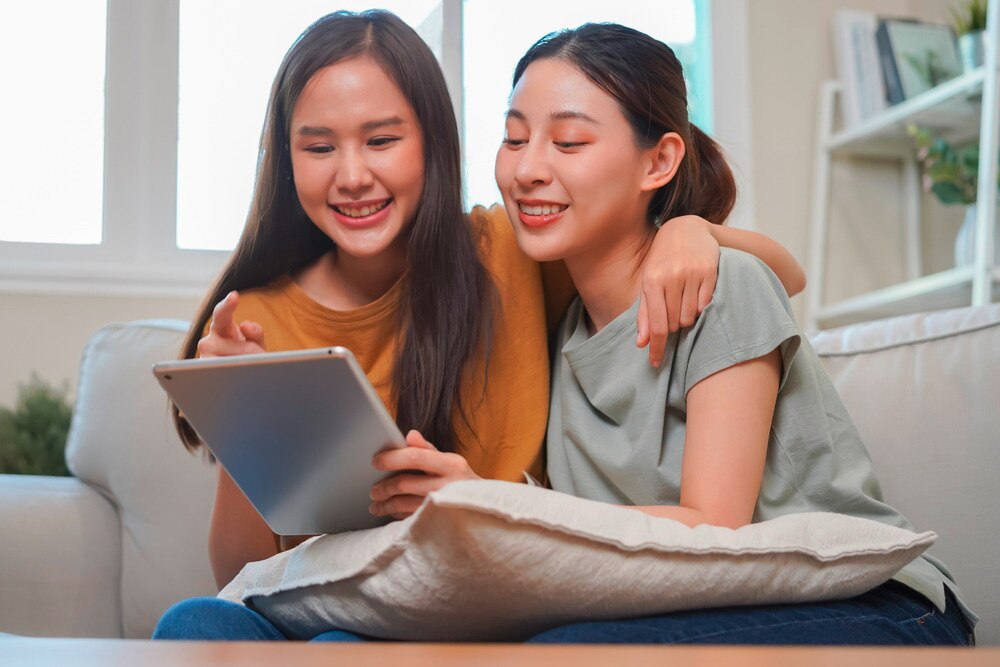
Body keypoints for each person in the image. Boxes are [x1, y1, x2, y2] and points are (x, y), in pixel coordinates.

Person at [153, 10, 806, 641]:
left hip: (471, 607)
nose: (352, 176)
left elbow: (766, 274)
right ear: (284, 155)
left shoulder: (507, 254)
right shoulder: (258, 316)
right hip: (339, 596)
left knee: (343, 652)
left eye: (382, 140)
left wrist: (690, 231)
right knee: (190, 621)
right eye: (319, 147)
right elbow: (239, 575)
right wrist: (240, 413)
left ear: (434, 142)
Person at [493, 23, 977, 645]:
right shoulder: (556, 327)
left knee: (565, 653)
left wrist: (504, 513)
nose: (528, 167)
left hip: (876, 604)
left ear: (660, 161)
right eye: (513, 138)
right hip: (700, 606)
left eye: (569, 141)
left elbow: (711, 524)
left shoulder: (727, 286)